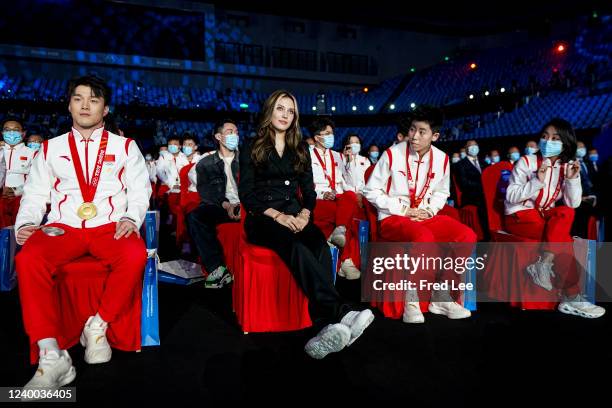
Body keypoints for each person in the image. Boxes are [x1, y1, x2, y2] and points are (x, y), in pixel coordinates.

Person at [15, 75, 151, 394]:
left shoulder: (125, 146)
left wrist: (131, 216)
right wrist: (25, 222)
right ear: (69, 106)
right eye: (78, 98)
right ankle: (52, 354)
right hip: (63, 226)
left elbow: (140, 189)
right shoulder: (50, 148)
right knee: (28, 259)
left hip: (110, 224)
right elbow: (35, 194)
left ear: (105, 108)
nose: (85, 104)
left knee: (134, 254)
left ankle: (98, 325)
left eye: (93, 99)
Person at [239, 90, 373, 359]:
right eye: (280, 108)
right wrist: (278, 216)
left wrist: (304, 214)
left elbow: (309, 191)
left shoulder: (299, 147)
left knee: (319, 247)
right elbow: (247, 194)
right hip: (263, 218)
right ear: (269, 111)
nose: (285, 115)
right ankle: (341, 312)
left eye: (290, 111)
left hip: (294, 213)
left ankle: (326, 329)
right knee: (296, 248)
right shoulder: (251, 146)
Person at [363, 106, 476, 324]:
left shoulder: (442, 159)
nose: (414, 136)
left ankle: (440, 296)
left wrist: (430, 210)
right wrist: (403, 209)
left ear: (434, 136)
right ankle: (411, 301)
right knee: (424, 237)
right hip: (393, 217)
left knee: (466, 236)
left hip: (425, 215)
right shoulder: (392, 154)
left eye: (421, 132)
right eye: (412, 129)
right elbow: (370, 191)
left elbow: (443, 192)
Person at [504, 118, 604, 318]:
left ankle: (544, 263)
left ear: (565, 143)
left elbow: (573, 203)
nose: (548, 141)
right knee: (564, 240)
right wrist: (536, 181)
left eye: (555, 138)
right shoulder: (526, 162)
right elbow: (511, 196)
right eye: (544, 136)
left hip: (543, 214)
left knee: (566, 212)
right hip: (519, 214)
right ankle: (572, 297)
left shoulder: (564, 167)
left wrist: (572, 179)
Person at [187, 119, 240, 288]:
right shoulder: (205, 164)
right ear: (219, 136)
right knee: (196, 217)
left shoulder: (248, 159)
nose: (235, 135)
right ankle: (217, 270)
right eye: (230, 132)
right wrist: (227, 205)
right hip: (221, 206)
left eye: (237, 132)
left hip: (247, 205)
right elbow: (208, 195)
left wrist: (243, 206)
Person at [309, 117, 362, 279]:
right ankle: (346, 260)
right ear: (317, 137)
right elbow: (305, 184)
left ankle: (339, 230)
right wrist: (321, 193)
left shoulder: (337, 156)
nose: (331, 136)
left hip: (338, 197)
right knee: (351, 219)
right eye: (327, 133)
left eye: (332, 133)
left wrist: (350, 163)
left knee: (351, 197)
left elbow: (348, 183)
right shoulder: (307, 156)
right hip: (320, 198)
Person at [1, 118, 36, 228]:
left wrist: (17, 191)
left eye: (16, 130)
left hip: (21, 198)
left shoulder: (32, 153)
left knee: (20, 229)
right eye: (7, 130)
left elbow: (36, 179)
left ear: (23, 133)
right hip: (1, 197)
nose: (11, 133)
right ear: (2, 133)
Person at [453, 139, 489, 237]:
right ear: (466, 149)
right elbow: (464, 184)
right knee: (484, 203)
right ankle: (486, 234)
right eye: (470, 146)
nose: (474, 148)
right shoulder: (460, 165)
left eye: (475, 145)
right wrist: (482, 188)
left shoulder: (484, 163)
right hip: (471, 195)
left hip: (485, 193)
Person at [571, 141, 597, 238]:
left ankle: (591, 251)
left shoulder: (588, 163)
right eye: (579, 147)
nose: (581, 149)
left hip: (592, 200)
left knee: (590, 229)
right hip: (579, 201)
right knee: (580, 231)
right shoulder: (571, 163)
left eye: (583, 147)